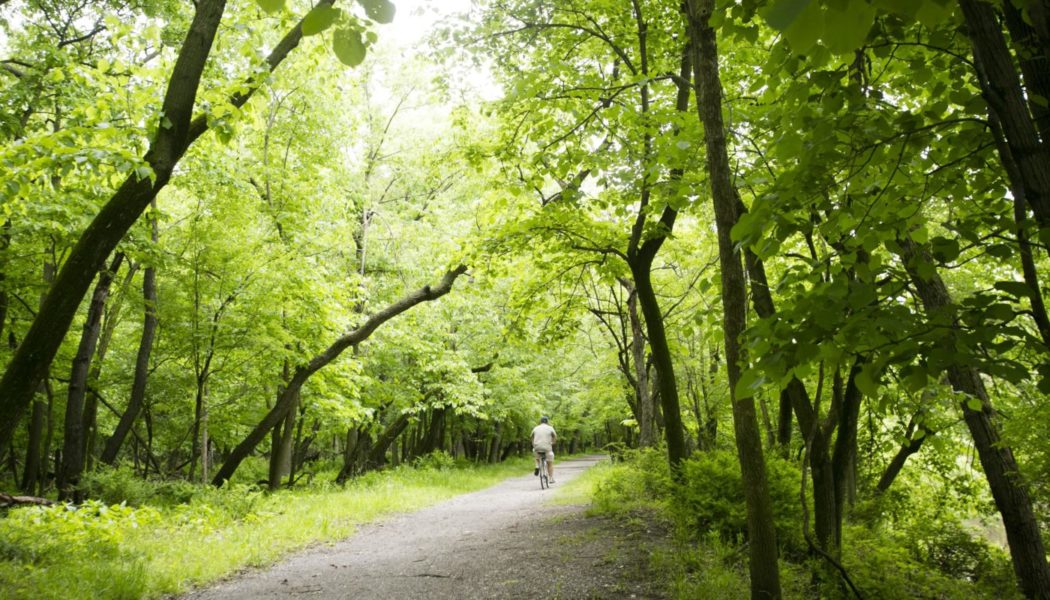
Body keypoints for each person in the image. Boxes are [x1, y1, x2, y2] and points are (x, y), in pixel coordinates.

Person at [531, 416, 557, 483]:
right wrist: (552, 442)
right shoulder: (550, 428)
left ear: (540, 422)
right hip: (547, 448)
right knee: (550, 463)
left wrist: (534, 445)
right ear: (547, 422)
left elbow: (531, 436)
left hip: (537, 447)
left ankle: (537, 465)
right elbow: (555, 436)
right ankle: (551, 478)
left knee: (536, 454)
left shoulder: (536, 428)